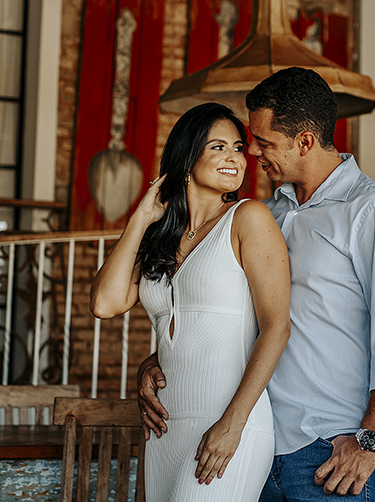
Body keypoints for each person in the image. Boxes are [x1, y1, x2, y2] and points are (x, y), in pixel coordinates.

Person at [138, 67, 375, 502]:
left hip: (329, 451)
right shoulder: (265, 215)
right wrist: (157, 360)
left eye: (263, 141)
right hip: (258, 443)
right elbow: (233, 315)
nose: (251, 151)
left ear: (305, 141)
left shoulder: (374, 212)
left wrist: (370, 442)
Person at [90, 102, 291, 501]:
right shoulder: (159, 237)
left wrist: (233, 423)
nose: (234, 157)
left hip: (230, 422)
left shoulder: (248, 218)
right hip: (166, 428)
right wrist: (141, 218)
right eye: (218, 147)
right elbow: (105, 304)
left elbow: (276, 327)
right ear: (187, 155)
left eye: (238, 147)